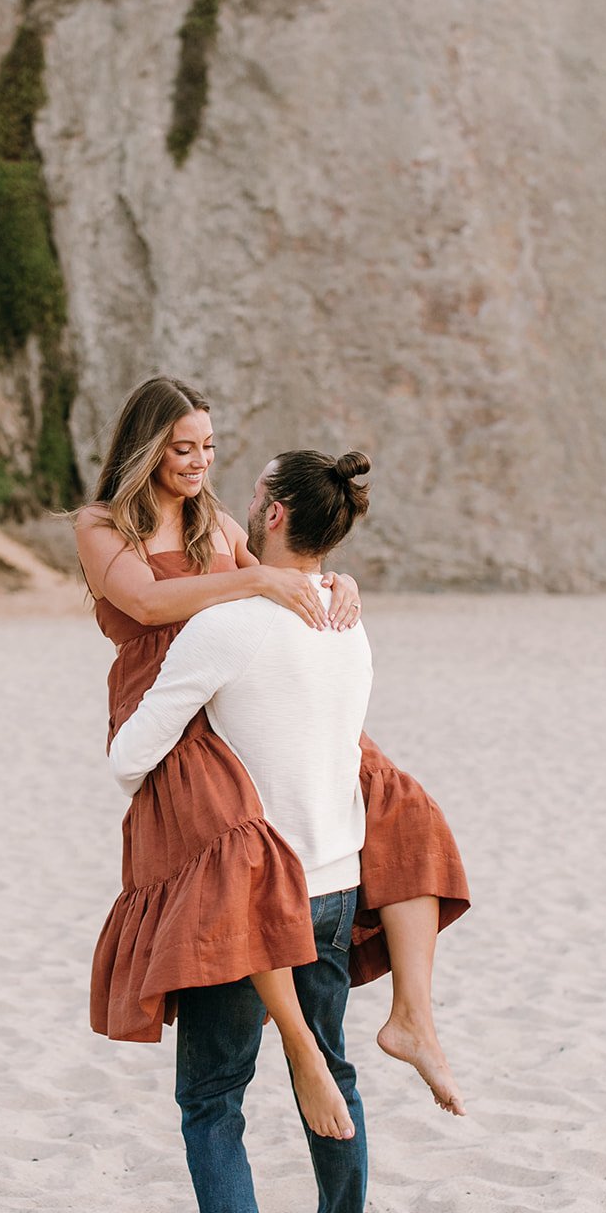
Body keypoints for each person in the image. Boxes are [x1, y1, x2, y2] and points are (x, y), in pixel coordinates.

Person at [75, 377, 469, 1119]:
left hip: (239, 685)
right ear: (145, 447)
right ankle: (298, 1044)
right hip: (162, 703)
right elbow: (148, 603)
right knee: (238, 851)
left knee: (395, 797)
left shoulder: (216, 522)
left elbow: (272, 586)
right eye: (181, 448)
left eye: (209, 447)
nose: (198, 462)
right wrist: (259, 577)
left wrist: (328, 581)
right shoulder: (100, 524)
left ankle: (414, 1016)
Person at [107, 447, 378, 1213]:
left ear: (266, 515)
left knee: (212, 1100)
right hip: (337, 881)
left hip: (249, 895)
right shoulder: (348, 620)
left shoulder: (226, 626)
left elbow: (128, 755)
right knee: (329, 1065)